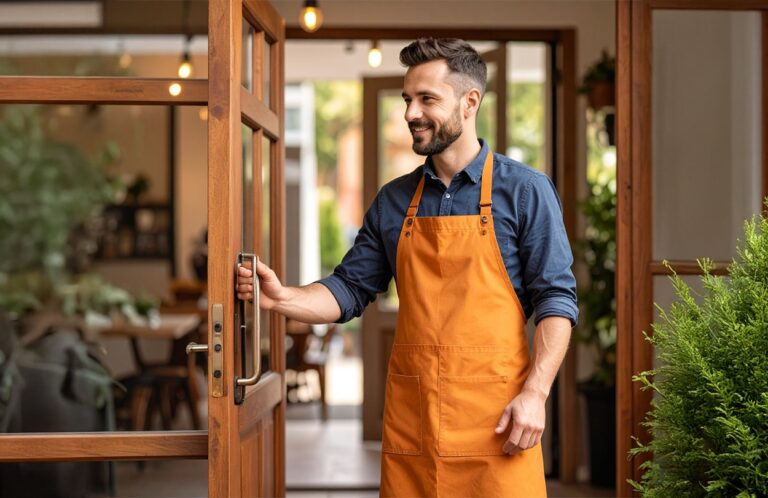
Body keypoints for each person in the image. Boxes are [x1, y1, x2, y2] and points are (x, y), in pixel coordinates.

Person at [237, 38, 577, 498]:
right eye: (407, 99)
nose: (411, 113)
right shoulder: (394, 201)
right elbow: (349, 289)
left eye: (427, 99)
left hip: (500, 430)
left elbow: (556, 299)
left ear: (470, 101)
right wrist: (283, 298)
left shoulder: (525, 192)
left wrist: (536, 394)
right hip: (415, 431)